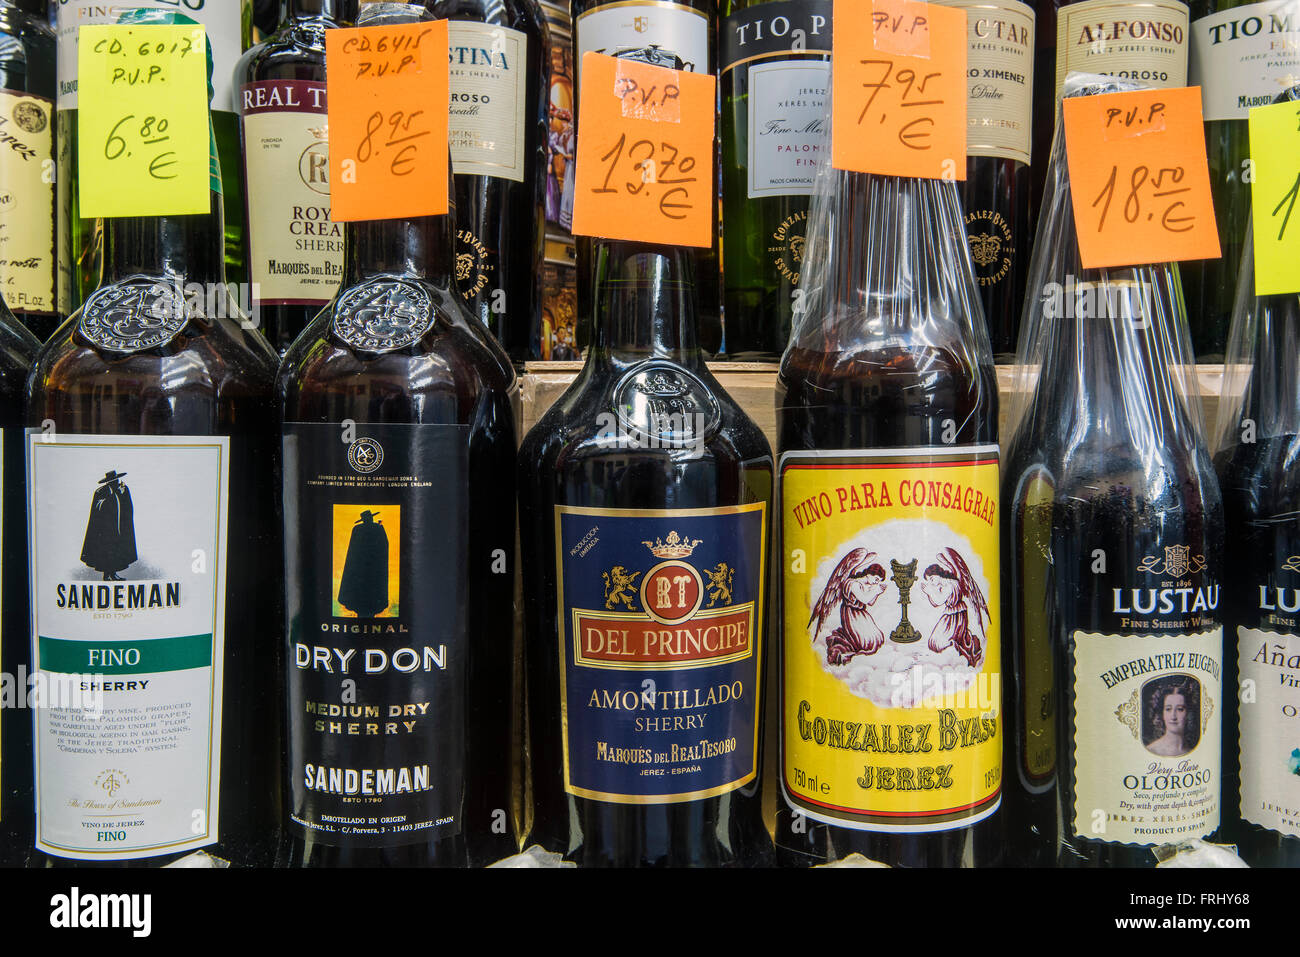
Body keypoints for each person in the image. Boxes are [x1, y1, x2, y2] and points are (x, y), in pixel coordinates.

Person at [809, 548, 888, 665]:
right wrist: (876, 591)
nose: (876, 583)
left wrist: (877, 592)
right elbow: (864, 599)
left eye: (878, 582)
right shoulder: (853, 583)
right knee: (867, 643)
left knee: (877, 639)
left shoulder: (866, 585)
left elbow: (870, 602)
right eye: (876, 579)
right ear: (870, 574)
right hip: (851, 614)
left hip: (861, 613)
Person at [921, 547, 989, 668]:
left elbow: (938, 601)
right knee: (934, 643)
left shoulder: (949, 584)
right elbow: (935, 603)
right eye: (929, 581)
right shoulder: (946, 582)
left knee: (937, 643)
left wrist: (929, 592)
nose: (931, 583)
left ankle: (961, 647)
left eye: (932, 579)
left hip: (954, 616)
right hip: (952, 614)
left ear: (938, 574)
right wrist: (930, 591)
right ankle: (958, 645)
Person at [81, 470, 137, 581]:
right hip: (104, 530)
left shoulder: (121, 490)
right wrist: (116, 495)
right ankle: (107, 575)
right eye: (114, 481)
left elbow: (126, 507)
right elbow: (100, 507)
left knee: (116, 551)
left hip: (118, 529)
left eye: (117, 480)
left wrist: (123, 494)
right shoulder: (101, 492)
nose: (117, 482)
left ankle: (113, 574)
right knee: (106, 552)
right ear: (109, 482)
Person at [337, 509, 390, 617]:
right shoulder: (375, 528)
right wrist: (381, 528)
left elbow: (353, 550)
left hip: (361, 567)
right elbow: (384, 543)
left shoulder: (358, 529)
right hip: (370, 567)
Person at [1146, 679, 1197, 757]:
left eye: (1180, 709)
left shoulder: (1193, 751)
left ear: (1187, 713)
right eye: (1168, 709)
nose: (1173, 716)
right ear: (1162, 713)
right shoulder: (1152, 750)